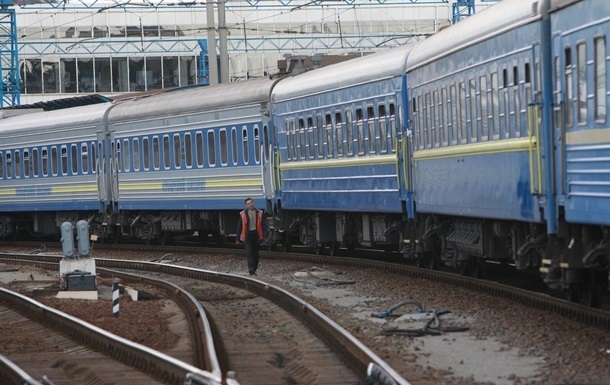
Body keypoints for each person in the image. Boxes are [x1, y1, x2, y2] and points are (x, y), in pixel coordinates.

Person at [236, 198, 267, 275]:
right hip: (247, 236)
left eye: (251, 202)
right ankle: (251, 268)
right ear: (246, 205)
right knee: (249, 252)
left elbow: (264, 225)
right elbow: (239, 226)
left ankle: (254, 269)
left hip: (256, 235)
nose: (250, 204)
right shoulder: (243, 214)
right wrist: (237, 238)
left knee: (256, 253)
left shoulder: (259, 213)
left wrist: (266, 236)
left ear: (253, 203)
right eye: (248, 203)